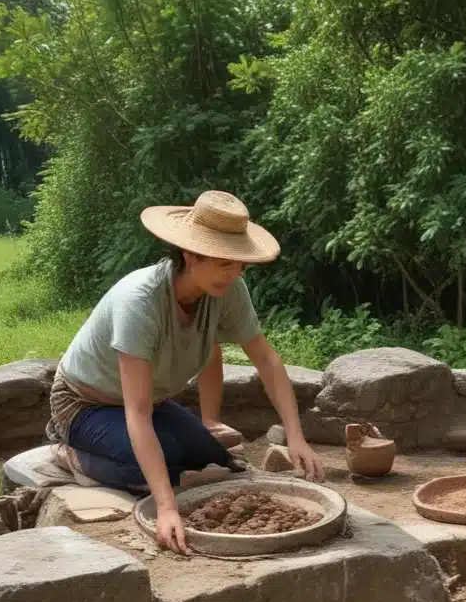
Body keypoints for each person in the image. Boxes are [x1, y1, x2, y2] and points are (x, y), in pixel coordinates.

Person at [46, 190, 324, 555]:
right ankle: (70, 453)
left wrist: (294, 436)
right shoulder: (140, 302)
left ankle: (172, 459)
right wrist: (166, 508)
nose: (236, 272)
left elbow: (259, 360)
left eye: (240, 263)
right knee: (148, 474)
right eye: (225, 262)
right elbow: (138, 412)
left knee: (214, 460)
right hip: (84, 405)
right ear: (190, 255)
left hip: (149, 402)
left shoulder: (226, 290)